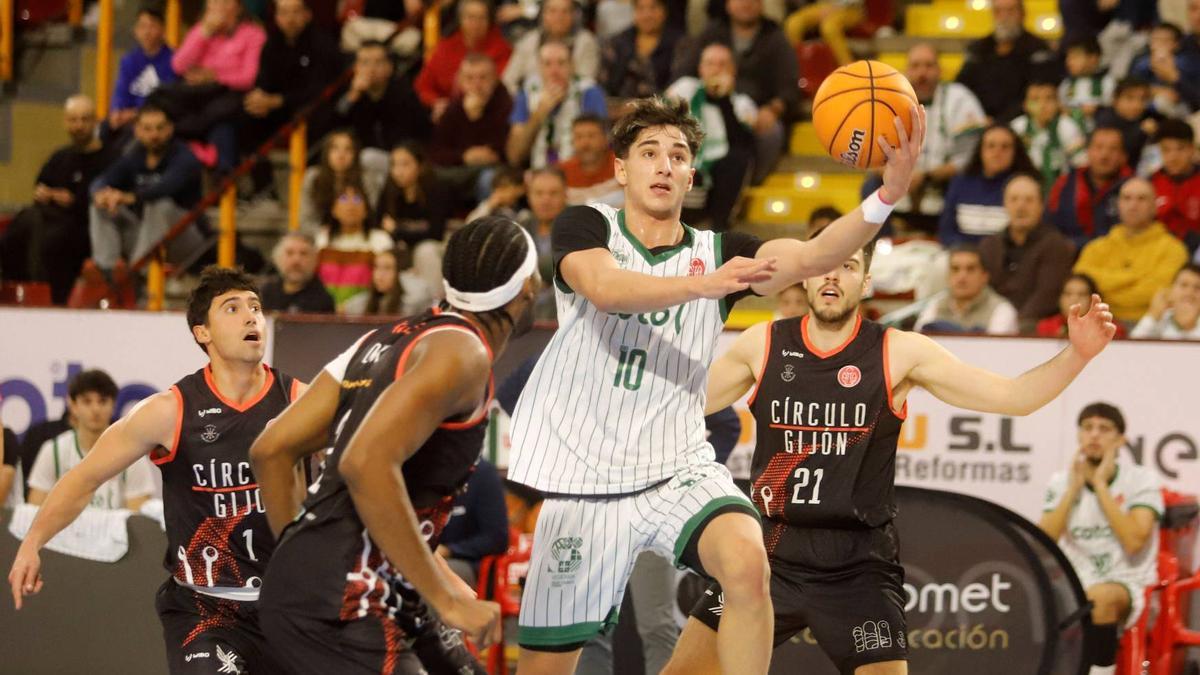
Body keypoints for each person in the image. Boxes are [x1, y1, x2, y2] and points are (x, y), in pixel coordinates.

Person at [504, 95, 925, 675]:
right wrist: (702, 287)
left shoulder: (720, 253)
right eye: (649, 153)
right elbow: (604, 288)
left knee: (749, 563)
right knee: (544, 669)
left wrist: (885, 196)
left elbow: (811, 255)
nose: (664, 165)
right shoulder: (587, 226)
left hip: (676, 465)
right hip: (587, 477)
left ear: (691, 174)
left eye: (678, 155)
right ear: (622, 170)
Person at [664, 229, 1116, 675]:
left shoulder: (898, 352)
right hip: (771, 556)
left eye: (848, 267)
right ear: (804, 277)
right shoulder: (762, 344)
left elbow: (1012, 397)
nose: (832, 277)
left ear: (865, 283)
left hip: (857, 566)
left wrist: (1076, 355)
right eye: (824, 266)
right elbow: (675, 407)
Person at [250, 216, 542, 675]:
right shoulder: (463, 354)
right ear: (528, 287)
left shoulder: (386, 338)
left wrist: (300, 561)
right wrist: (446, 598)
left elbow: (271, 450)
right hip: (348, 600)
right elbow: (364, 461)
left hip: (359, 587)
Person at [9, 266, 304, 674]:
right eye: (233, 308)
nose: (251, 316)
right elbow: (84, 477)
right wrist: (32, 542)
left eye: (255, 307)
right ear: (203, 332)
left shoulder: (301, 401)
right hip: (205, 609)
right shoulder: (170, 410)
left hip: (286, 605)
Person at [1040, 403, 1162, 675]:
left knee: (1098, 597)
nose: (1094, 435)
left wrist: (1101, 487)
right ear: (1079, 436)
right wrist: (1073, 489)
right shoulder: (1061, 481)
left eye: (1104, 429)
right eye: (1087, 428)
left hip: (1127, 583)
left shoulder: (1141, 480)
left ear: (1120, 440)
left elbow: (1134, 540)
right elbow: (1044, 541)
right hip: (1074, 581)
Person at [0, 95, 116, 304]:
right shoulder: (59, 157)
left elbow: (101, 198)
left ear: (95, 121)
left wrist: (72, 200)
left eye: (84, 119)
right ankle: (18, 289)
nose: (78, 125)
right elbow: (40, 187)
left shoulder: (109, 158)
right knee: (25, 222)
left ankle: (49, 297)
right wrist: (45, 194)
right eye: (73, 120)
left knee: (50, 237)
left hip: (84, 228)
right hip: (47, 222)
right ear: (65, 122)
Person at [865, 42, 985, 235]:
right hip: (898, 178)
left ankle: (951, 245)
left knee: (964, 183)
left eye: (929, 66)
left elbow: (969, 158)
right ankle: (880, 250)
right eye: (916, 66)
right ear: (906, 70)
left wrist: (927, 176)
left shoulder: (960, 99)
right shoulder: (887, 102)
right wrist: (899, 176)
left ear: (940, 70)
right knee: (869, 186)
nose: (922, 73)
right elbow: (872, 155)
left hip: (942, 181)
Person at [676, 0, 800, 183]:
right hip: (710, 106)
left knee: (771, 131)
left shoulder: (775, 38)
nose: (746, 3)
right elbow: (685, 71)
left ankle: (749, 182)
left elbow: (789, 87)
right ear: (727, 4)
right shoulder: (712, 32)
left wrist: (773, 109)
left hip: (754, 112)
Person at [88, 104, 202, 286]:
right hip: (145, 237)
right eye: (147, 129)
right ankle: (106, 272)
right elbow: (103, 179)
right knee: (99, 206)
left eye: (160, 128)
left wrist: (128, 197)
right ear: (137, 131)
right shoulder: (134, 155)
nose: (154, 135)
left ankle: (136, 278)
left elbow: (165, 188)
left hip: (185, 239)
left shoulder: (184, 157)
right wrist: (100, 194)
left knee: (159, 205)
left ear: (170, 129)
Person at [158, 0, 267, 172]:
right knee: (159, 97)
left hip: (230, 98)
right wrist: (205, 33)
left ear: (238, 8)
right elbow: (178, 66)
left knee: (222, 125)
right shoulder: (201, 30)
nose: (219, 7)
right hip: (196, 97)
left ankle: (223, 182)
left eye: (225, 2)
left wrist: (215, 77)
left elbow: (249, 77)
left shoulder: (253, 34)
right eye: (214, 2)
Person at [27, 369, 155, 510]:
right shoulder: (53, 451)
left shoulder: (132, 455)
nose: (95, 409)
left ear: (113, 405)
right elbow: (33, 511)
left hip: (114, 532)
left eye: (102, 401)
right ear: (73, 406)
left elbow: (138, 522)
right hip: (63, 532)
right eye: (87, 401)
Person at [665, 42, 757, 232]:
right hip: (682, 159)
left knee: (737, 159)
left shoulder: (742, 102)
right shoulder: (685, 88)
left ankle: (719, 227)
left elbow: (741, 142)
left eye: (722, 64)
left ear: (733, 70)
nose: (716, 70)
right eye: (710, 64)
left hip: (719, 171)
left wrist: (723, 100)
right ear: (700, 68)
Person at [241, 0, 341, 174]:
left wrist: (279, 101)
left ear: (307, 15)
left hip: (311, 108)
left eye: (295, 12)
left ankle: (309, 174)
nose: (290, 19)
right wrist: (258, 98)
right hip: (277, 108)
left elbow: (320, 90)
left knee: (311, 115)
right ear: (277, 17)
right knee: (244, 113)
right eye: (284, 13)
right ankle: (258, 181)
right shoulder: (272, 44)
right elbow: (263, 80)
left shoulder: (322, 43)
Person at [1073, 177, 1190, 322]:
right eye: (1127, 198)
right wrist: (1134, 277)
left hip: (1153, 329)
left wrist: (1107, 291)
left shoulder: (1173, 250)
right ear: (1118, 204)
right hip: (1098, 324)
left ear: (1154, 206)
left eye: (1141, 199)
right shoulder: (1095, 248)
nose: (1133, 205)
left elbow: (1154, 294)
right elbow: (1080, 287)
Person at [979, 174, 1076, 330]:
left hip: (1033, 328)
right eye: (1014, 199)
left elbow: (1047, 296)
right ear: (1004, 204)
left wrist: (1013, 325)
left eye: (1029, 200)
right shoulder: (989, 245)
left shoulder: (1056, 245)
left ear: (1041, 206)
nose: (1021, 206)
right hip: (991, 322)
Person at [507, 40, 609, 169]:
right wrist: (538, 115)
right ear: (539, 67)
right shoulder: (527, 93)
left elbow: (599, 148)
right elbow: (514, 156)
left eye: (561, 63)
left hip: (579, 171)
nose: (554, 71)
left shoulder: (589, 92)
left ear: (572, 66)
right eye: (547, 64)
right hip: (538, 175)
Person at [955, 0, 1062, 123]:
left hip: (1023, 121)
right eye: (998, 11)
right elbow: (962, 87)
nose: (1004, 17)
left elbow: (1041, 91)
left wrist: (1001, 121)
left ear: (1022, 14)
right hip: (980, 120)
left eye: (1011, 11)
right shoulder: (978, 49)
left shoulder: (1037, 49)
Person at [938, 124, 1037, 245]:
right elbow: (946, 230)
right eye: (991, 146)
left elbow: (1029, 233)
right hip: (964, 257)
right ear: (980, 150)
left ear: (1015, 152)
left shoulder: (1025, 186)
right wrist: (964, 251)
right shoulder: (960, 182)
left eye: (1005, 147)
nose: (997, 152)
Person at [415, 0, 512, 119]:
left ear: (489, 21)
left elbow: (501, 87)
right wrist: (436, 102)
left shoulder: (502, 48)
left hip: (488, 113)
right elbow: (423, 84)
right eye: (470, 18)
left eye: (482, 18)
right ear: (460, 20)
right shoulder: (446, 46)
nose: (476, 24)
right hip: (446, 112)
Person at [334, 41, 431, 160]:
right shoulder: (352, 94)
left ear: (389, 67)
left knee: (368, 157)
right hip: (359, 160)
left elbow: (417, 133)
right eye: (365, 63)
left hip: (400, 160)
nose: (371, 69)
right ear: (356, 67)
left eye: (378, 62)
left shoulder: (403, 93)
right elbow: (336, 124)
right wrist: (353, 95)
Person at [428, 53, 514, 174]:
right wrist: (463, 156)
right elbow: (436, 153)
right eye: (470, 78)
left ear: (495, 79)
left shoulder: (507, 105)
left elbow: (501, 153)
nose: (476, 85)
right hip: (459, 169)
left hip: (494, 170)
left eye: (483, 77)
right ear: (460, 81)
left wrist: (475, 119)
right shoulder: (454, 107)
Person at [1049, 126, 1132, 249]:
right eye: (1098, 147)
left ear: (1123, 156)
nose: (1104, 155)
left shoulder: (1134, 188)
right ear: (1088, 151)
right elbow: (1049, 227)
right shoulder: (1064, 184)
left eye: (1113, 149)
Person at [316, 185, 394, 308]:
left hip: (365, 311)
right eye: (343, 199)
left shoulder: (380, 240)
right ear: (333, 210)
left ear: (366, 210)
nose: (351, 205)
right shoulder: (321, 239)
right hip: (324, 311)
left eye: (357, 199)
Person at [437, 457, 510, 588]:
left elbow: (497, 538)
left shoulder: (484, 474)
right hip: (427, 556)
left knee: (433, 576)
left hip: (468, 562)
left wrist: (449, 550)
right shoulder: (422, 472)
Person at [913, 244, 1020, 334]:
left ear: (984, 276)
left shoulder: (1001, 310)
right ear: (947, 276)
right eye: (955, 269)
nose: (962, 276)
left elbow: (994, 353)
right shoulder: (934, 306)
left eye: (970, 269)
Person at [502, 0, 601, 92]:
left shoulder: (586, 42)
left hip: (574, 103)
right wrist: (523, 100)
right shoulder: (529, 41)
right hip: (531, 103)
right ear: (543, 14)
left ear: (574, 15)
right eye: (552, 11)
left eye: (565, 11)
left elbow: (587, 83)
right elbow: (508, 81)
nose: (559, 17)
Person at [108, 7, 177, 134]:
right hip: (128, 119)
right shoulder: (128, 60)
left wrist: (136, 113)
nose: (147, 32)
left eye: (152, 26)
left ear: (163, 30)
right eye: (142, 26)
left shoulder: (174, 60)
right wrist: (117, 112)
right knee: (103, 130)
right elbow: (121, 91)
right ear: (135, 31)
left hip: (158, 122)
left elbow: (168, 99)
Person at [1010, 79, 1086, 194]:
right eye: (1035, 99)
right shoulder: (1017, 128)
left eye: (1049, 99)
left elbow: (1082, 164)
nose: (1042, 105)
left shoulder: (1067, 126)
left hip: (1061, 191)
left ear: (1058, 103)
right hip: (1024, 190)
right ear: (1025, 105)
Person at [600, 0, 685, 99]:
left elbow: (678, 86)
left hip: (662, 110)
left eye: (653, 8)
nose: (647, 15)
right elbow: (603, 84)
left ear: (665, 11)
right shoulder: (617, 42)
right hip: (617, 108)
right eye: (640, 8)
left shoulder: (680, 43)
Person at [299, 130, 379, 233]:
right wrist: (323, 234)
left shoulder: (366, 178)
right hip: (319, 237)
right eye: (335, 149)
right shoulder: (313, 177)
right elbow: (305, 221)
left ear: (356, 154)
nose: (341, 155)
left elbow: (372, 216)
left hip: (358, 235)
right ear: (326, 152)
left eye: (348, 149)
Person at [1129, 21, 1200, 118]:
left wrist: (1175, 78)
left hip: (1183, 111)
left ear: (1176, 44)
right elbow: (1130, 87)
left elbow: (1195, 96)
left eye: (1165, 40)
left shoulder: (1187, 63)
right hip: (1147, 109)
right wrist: (1154, 90)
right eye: (1155, 39)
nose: (1159, 44)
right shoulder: (1141, 62)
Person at [1149, 118, 1200, 251]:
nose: (1173, 156)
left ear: (1192, 149)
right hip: (1157, 252)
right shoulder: (1151, 183)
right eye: (1166, 150)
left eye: (1180, 149)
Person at [341, 246, 435, 317]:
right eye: (376, 267)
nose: (379, 275)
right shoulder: (359, 305)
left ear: (402, 274)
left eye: (387, 268)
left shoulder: (415, 303)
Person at [259, 231, 336, 313]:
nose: (296, 260)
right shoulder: (265, 292)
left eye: (303, 254)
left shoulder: (323, 300)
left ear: (315, 260)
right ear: (277, 259)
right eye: (289, 253)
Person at [1093, 78, 1160, 170]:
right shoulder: (1105, 120)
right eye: (1130, 98)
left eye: (1143, 99)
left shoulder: (1149, 116)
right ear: (1115, 100)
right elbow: (1119, 150)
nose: (1137, 104)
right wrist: (1141, 132)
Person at [1036, 273, 1129, 339]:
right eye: (1068, 294)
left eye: (1082, 294)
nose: (1074, 299)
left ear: (1094, 299)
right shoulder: (1046, 327)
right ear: (1059, 298)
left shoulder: (1110, 328)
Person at [560, 115, 624, 207]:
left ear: (606, 139)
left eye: (591, 136)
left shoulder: (623, 165)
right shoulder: (561, 172)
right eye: (579, 137)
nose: (585, 143)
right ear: (572, 142)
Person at [782, 0, 864, 66]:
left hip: (850, 9)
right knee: (793, 23)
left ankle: (848, 68)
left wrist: (834, 8)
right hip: (822, 6)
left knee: (829, 28)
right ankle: (796, 67)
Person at [1059, 37, 1116, 133]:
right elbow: (1062, 109)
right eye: (1068, 57)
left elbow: (1112, 109)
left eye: (1075, 57)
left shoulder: (1107, 82)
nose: (1068, 62)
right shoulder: (1066, 85)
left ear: (1093, 58)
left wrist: (1096, 110)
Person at [1130, 263, 1200, 338]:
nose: (1189, 292)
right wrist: (1153, 314)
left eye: (1197, 287)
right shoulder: (1158, 319)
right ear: (1171, 290)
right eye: (1184, 285)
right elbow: (1132, 347)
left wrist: (1190, 326)